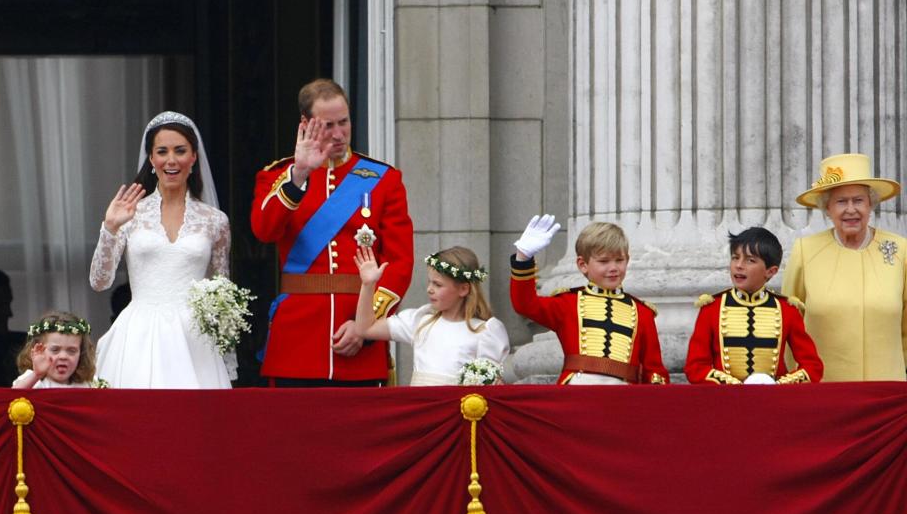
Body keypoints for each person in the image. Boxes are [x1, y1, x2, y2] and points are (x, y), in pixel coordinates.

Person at [250, 78, 414, 387]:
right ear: (305, 123)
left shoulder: (383, 179)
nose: (339, 134)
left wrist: (366, 325)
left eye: (344, 122)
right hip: (297, 341)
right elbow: (264, 230)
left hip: (358, 334)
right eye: (328, 125)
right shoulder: (278, 176)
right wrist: (298, 175)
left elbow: (399, 261)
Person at [89, 111, 232, 389]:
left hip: (195, 341)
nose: (171, 160)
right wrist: (109, 228)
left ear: (193, 157)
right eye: (162, 151)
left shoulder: (215, 220)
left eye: (180, 151)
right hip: (138, 334)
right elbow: (99, 281)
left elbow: (221, 290)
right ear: (152, 159)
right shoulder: (130, 213)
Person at [783, 153, 905, 381]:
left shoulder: (900, 250)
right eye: (841, 201)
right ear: (827, 208)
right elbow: (789, 325)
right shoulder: (805, 251)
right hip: (825, 390)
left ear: (871, 204)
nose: (851, 209)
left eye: (858, 200)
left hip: (888, 391)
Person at [510, 215, 669, 385]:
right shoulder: (568, 303)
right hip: (577, 392)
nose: (613, 268)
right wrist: (523, 258)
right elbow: (525, 304)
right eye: (604, 261)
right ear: (582, 265)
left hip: (624, 397)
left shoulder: (642, 312)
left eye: (619, 260)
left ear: (627, 260)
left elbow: (654, 370)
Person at [353, 245, 509, 386]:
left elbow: (491, 384)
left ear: (463, 289)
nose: (429, 289)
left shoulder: (484, 331)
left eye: (438, 284)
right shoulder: (421, 321)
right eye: (430, 282)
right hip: (420, 411)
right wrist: (368, 285)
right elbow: (365, 329)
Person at [684, 227, 823, 385]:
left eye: (750, 260)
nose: (739, 265)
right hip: (725, 400)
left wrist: (778, 385)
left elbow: (813, 366)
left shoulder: (787, 310)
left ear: (771, 271)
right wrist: (732, 385)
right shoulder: (711, 308)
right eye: (735, 258)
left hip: (773, 401)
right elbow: (695, 367)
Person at [11, 311, 102, 389]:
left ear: (81, 354)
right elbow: (11, 396)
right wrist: (36, 375)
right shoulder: (35, 381)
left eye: (71, 351)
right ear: (38, 351)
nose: (63, 357)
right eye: (55, 350)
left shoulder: (89, 384)